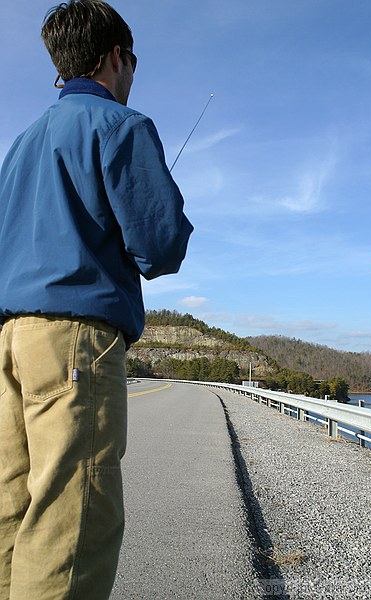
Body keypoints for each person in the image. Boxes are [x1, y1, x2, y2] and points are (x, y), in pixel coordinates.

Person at [0, 1, 193, 598]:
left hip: (9, 341)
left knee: (12, 507)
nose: (133, 73)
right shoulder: (121, 126)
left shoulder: (21, 145)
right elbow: (159, 247)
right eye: (132, 60)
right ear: (115, 56)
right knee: (73, 517)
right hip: (75, 344)